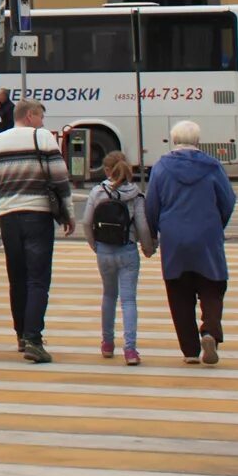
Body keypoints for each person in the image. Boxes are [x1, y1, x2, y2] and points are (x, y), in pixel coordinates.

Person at [0, 97, 74, 363]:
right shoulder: (42, 138)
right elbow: (60, 181)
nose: (43, 122)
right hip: (38, 217)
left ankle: (21, 335)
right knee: (38, 279)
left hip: (8, 219)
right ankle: (34, 338)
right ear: (30, 116)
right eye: (41, 116)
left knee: (17, 278)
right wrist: (69, 215)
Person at [145, 119, 236, 366]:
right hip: (207, 235)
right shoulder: (213, 166)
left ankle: (190, 350)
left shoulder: (161, 167)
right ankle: (209, 332)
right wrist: (217, 225)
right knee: (213, 286)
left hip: (174, 238)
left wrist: (153, 233)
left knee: (178, 292)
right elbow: (228, 200)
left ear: (173, 140)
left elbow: (151, 204)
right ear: (198, 141)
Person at [82, 151, 156, 364]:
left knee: (108, 296)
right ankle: (130, 350)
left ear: (107, 170)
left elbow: (86, 222)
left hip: (104, 250)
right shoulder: (136, 194)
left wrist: (94, 245)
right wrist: (148, 248)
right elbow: (142, 225)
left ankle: (107, 344)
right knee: (129, 300)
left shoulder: (98, 192)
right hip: (128, 250)